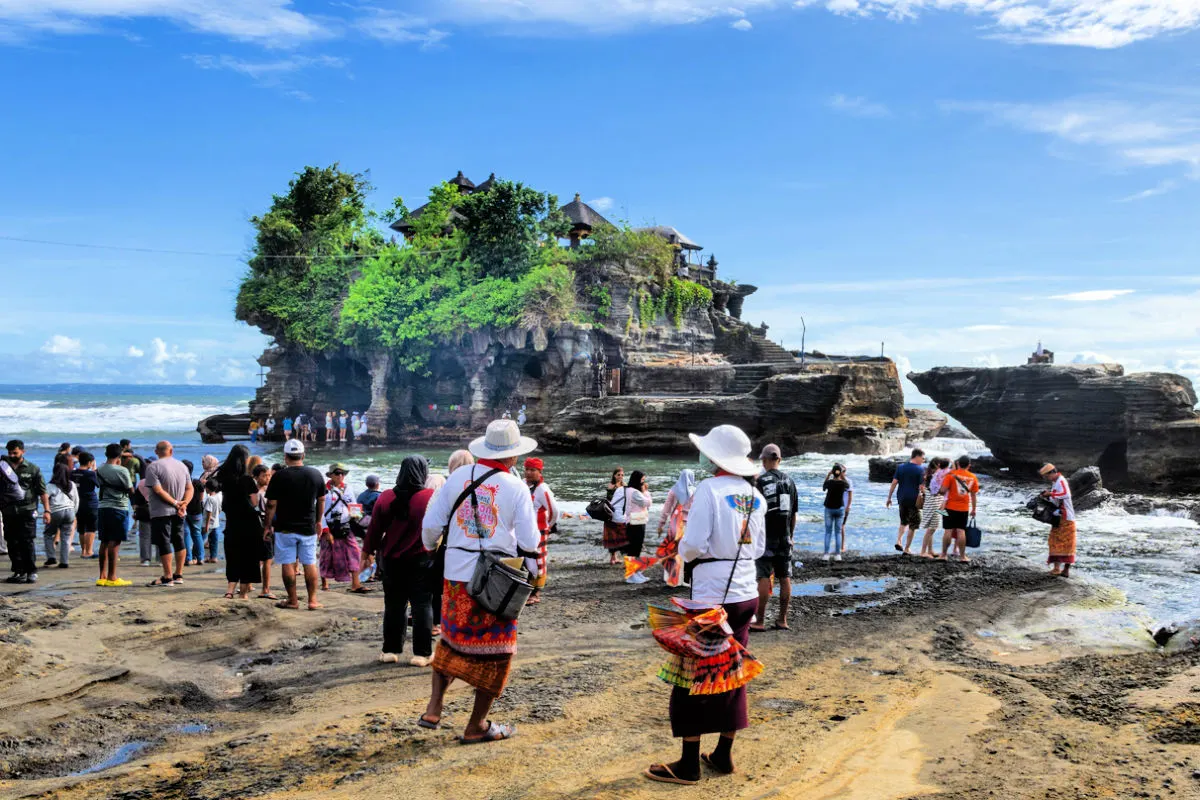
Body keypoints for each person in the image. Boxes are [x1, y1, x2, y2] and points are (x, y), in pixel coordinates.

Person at [644, 425, 766, 786]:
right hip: (746, 591)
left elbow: (693, 544)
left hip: (712, 595)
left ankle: (688, 764)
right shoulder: (753, 493)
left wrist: (684, 552)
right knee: (732, 673)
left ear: (713, 458)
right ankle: (723, 754)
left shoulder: (709, 490)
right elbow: (758, 549)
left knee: (692, 676)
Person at [418, 419, 540, 743]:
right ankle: (477, 725)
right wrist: (537, 577)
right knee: (498, 653)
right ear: (513, 457)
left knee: (452, 640)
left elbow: (431, 526)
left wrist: (432, 548)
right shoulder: (515, 488)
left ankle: (434, 706)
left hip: (457, 576)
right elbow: (530, 541)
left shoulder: (456, 478)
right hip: (497, 580)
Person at [365, 456, 436, 666]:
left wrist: (367, 553)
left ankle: (390, 651)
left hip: (391, 561)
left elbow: (374, 530)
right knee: (422, 604)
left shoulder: (386, 497)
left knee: (394, 605)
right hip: (421, 560)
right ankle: (422, 654)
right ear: (423, 473)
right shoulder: (429, 497)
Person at [264, 439, 327, 610]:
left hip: (285, 527)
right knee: (309, 563)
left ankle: (293, 601)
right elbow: (321, 500)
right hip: (308, 527)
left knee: (288, 563)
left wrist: (267, 526)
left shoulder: (279, 476)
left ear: (285, 457)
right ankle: (312, 601)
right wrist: (319, 521)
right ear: (303, 455)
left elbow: (271, 504)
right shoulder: (315, 474)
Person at [753, 444, 797, 632]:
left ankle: (760, 620)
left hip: (765, 536)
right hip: (784, 536)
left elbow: (754, 512)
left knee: (763, 575)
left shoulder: (760, 481)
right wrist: (791, 535)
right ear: (779, 459)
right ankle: (782, 619)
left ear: (764, 460)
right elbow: (793, 513)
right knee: (784, 576)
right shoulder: (789, 481)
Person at [430, 450, 474, 636]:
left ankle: (436, 623)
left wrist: (429, 544)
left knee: (436, 585)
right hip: (473, 544)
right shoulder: (481, 486)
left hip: (449, 543)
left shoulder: (446, 488)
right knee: (470, 587)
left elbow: (434, 521)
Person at [144, 441, 193, 587]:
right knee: (179, 539)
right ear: (171, 451)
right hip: (179, 511)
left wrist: (175, 503)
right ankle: (179, 574)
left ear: (156, 451)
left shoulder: (153, 466)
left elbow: (158, 490)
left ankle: (167, 576)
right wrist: (184, 503)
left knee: (164, 541)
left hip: (161, 510)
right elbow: (190, 488)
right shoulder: (182, 466)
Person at [215, 446, 261, 600]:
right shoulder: (247, 480)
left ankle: (229, 591)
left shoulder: (224, 477)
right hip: (248, 522)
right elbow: (254, 502)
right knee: (248, 557)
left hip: (231, 522)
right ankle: (243, 593)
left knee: (233, 556)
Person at [2, 440, 51, 584]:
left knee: (27, 542)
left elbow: (42, 491)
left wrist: (47, 510)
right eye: (10, 453)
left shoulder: (32, 469)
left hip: (27, 510)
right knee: (11, 542)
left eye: (15, 453)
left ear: (23, 451)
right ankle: (18, 571)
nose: (12, 455)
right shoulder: (3, 468)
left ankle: (31, 572)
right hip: (8, 510)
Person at [319, 463, 368, 593]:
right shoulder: (324, 490)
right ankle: (324, 583)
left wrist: (359, 522)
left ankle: (356, 584)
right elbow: (320, 512)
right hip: (329, 526)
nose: (340, 476)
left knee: (355, 553)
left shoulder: (348, 488)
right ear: (330, 475)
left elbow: (353, 506)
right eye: (337, 473)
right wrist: (325, 530)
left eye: (342, 473)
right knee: (326, 555)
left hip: (345, 525)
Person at [95, 443, 134, 587]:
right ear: (119, 456)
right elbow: (130, 489)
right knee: (115, 542)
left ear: (106, 454)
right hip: (119, 507)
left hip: (103, 507)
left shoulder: (98, 470)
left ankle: (102, 576)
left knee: (104, 541)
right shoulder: (122, 470)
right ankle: (112, 577)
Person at [523, 457, 558, 604]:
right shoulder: (522, 484)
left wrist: (548, 526)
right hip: (524, 530)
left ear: (539, 472)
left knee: (539, 560)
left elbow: (554, 511)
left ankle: (536, 592)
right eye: (527, 470)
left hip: (539, 530)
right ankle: (527, 588)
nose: (529, 473)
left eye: (533, 470)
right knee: (526, 559)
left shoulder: (543, 490)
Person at [653, 469, 695, 588]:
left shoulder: (674, 491)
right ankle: (685, 580)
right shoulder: (695, 491)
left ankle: (671, 579)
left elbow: (666, 510)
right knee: (686, 553)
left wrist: (661, 524)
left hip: (675, 525)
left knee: (672, 551)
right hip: (689, 526)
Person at [939, 455, 979, 563]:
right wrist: (974, 509)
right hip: (964, 509)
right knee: (961, 531)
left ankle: (943, 555)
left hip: (949, 508)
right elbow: (973, 495)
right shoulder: (973, 477)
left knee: (948, 530)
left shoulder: (951, 475)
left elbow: (942, 490)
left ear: (958, 464)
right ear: (969, 465)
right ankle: (962, 556)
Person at [887, 448, 927, 554]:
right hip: (914, 501)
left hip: (902, 498)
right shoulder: (921, 470)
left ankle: (898, 541)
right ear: (917, 456)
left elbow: (894, 483)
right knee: (913, 525)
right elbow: (922, 488)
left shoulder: (901, 467)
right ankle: (907, 548)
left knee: (904, 522)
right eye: (923, 458)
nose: (923, 460)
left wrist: (889, 498)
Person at [1039, 464, 1076, 577]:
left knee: (1066, 543)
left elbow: (1066, 494)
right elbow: (1056, 500)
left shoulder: (1061, 481)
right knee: (1057, 542)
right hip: (1059, 516)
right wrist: (1048, 496)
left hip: (1066, 517)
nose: (1047, 479)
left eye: (1047, 476)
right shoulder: (1056, 483)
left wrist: (1050, 494)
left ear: (1052, 473)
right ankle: (1058, 569)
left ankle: (1063, 570)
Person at [615, 470, 652, 583]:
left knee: (635, 548)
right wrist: (646, 492)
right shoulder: (635, 492)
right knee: (634, 549)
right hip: (636, 521)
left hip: (633, 520)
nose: (643, 483)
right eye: (642, 480)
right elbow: (647, 503)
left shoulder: (629, 490)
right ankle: (631, 575)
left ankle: (635, 572)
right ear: (637, 480)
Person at [43, 462, 79, 568]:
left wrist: (46, 512)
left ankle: (51, 557)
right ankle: (64, 561)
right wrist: (74, 513)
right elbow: (76, 500)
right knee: (66, 537)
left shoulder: (50, 486)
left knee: (48, 534)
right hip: (70, 512)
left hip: (55, 512)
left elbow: (44, 500)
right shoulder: (71, 484)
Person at [917, 457, 951, 558]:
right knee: (932, 528)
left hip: (930, 502)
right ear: (938, 465)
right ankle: (923, 552)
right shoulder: (936, 475)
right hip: (934, 502)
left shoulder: (929, 474)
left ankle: (930, 550)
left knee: (931, 527)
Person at [251, 463, 276, 598]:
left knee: (254, 556)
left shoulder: (255, 492)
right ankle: (265, 589)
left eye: (268, 475)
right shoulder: (261, 493)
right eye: (264, 476)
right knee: (267, 558)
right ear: (256, 477)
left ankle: (248, 584)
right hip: (263, 526)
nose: (267, 478)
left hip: (257, 526)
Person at [71, 452, 101, 560]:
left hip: (77, 502)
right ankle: (89, 551)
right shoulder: (91, 474)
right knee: (91, 528)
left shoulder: (72, 473)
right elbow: (98, 484)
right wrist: (94, 470)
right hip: (90, 502)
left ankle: (83, 551)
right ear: (89, 462)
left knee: (81, 528)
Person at [821, 464, 850, 561]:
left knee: (828, 532)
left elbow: (823, 487)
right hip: (839, 508)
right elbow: (848, 486)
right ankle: (838, 554)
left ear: (832, 472)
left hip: (829, 508)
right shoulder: (843, 484)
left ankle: (826, 554)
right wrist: (842, 475)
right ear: (840, 473)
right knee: (838, 532)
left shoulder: (829, 482)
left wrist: (828, 475)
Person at [180, 459, 205, 566]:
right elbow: (201, 498)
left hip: (184, 510)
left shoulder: (181, 483)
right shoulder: (197, 482)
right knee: (197, 534)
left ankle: (188, 558)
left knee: (186, 534)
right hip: (197, 511)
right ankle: (200, 558)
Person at [602, 466, 626, 565]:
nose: (620, 477)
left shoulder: (624, 485)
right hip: (611, 513)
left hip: (620, 513)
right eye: (618, 475)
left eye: (622, 475)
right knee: (612, 536)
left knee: (616, 535)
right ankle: (613, 558)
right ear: (614, 475)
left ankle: (615, 558)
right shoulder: (611, 486)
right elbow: (609, 500)